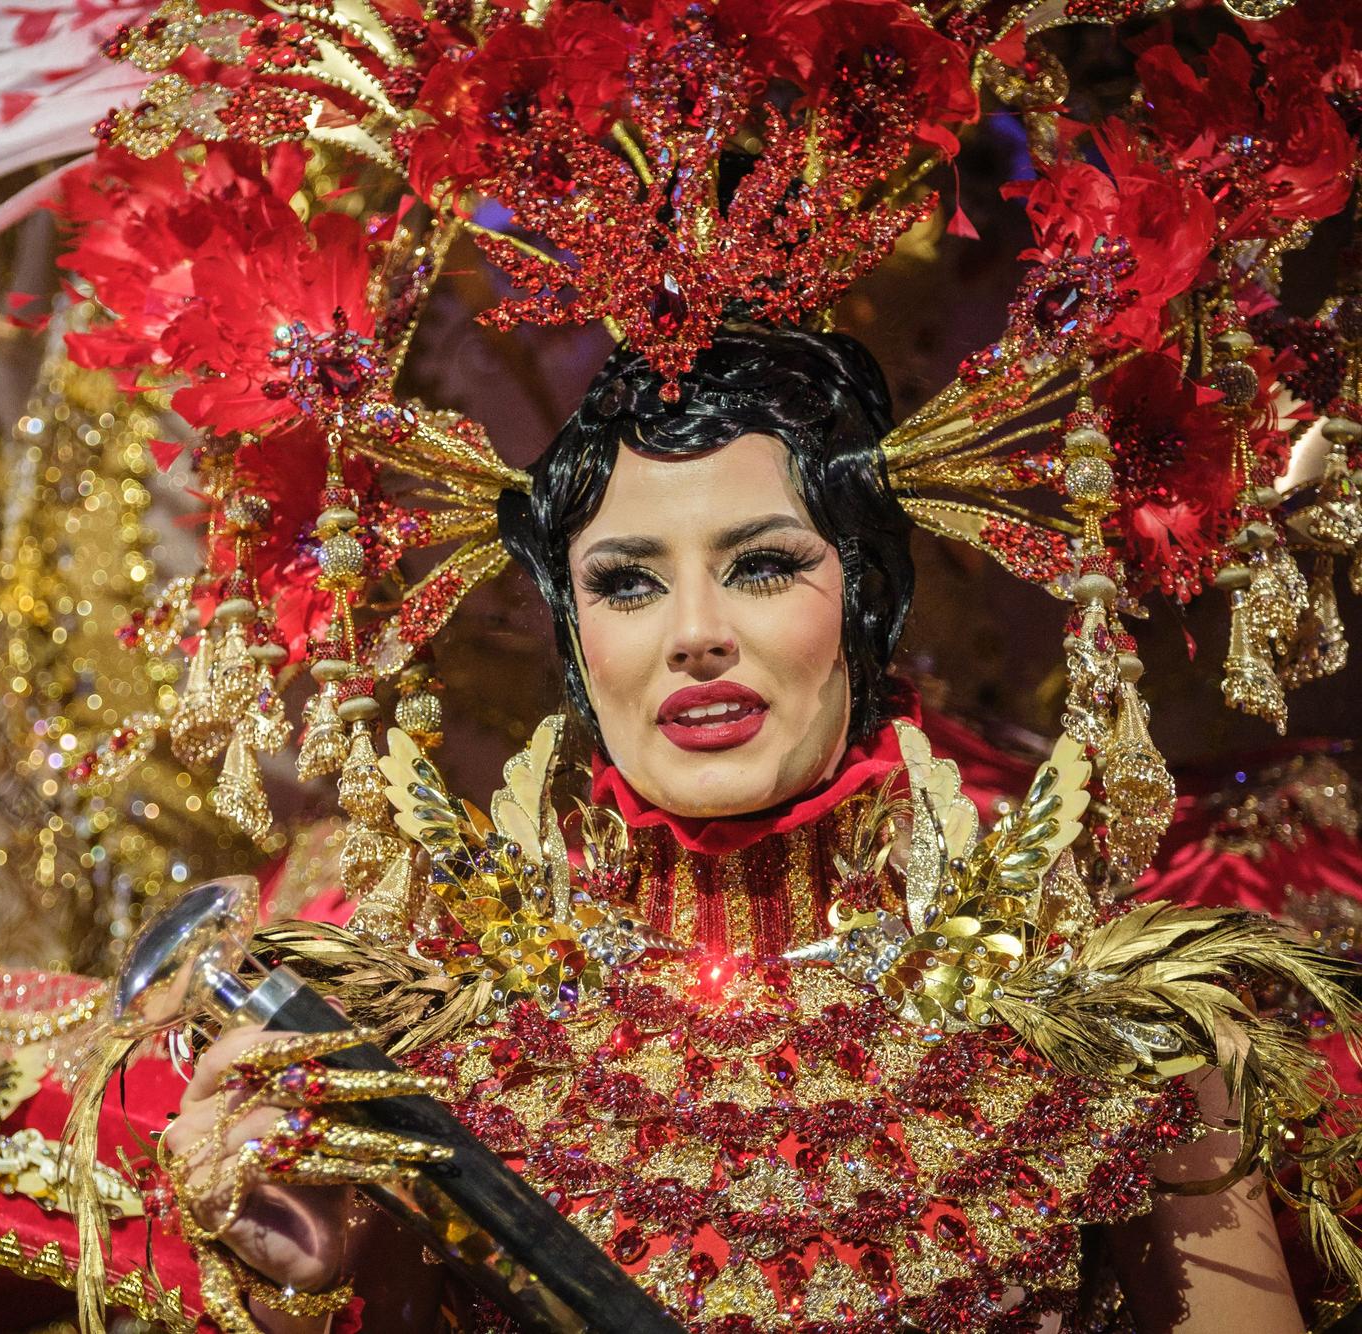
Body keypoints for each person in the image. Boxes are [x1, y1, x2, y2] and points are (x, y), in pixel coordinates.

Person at [158, 327, 1321, 1334]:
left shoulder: (1112, 1035)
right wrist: (304, 1288)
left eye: (762, 565)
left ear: (864, 601)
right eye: (625, 583)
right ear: (573, 636)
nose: (694, 633)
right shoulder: (437, 1051)